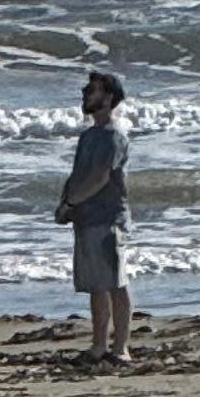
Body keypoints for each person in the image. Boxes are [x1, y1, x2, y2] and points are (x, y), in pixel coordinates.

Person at [56, 67, 132, 367]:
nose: (85, 95)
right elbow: (78, 174)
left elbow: (100, 176)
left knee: (116, 283)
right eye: (86, 91)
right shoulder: (89, 135)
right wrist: (66, 202)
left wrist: (73, 200)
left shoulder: (114, 135)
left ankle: (121, 347)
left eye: (92, 91)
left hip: (108, 218)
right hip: (86, 217)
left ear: (108, 97)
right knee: (96, 285)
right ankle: (99, 345)